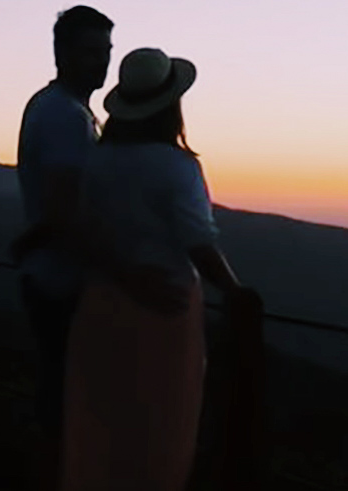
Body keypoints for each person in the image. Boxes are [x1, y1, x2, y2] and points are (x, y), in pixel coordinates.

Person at [13, 7, 190, 490]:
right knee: (70, 414)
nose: (100, 63)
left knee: (63, 408)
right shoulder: (66, 117)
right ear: (62, 53)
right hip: (62, 284)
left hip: (53, 277)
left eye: (106, 52)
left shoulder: (57, 108)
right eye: (91, 52)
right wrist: (132, 276)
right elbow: (66, 210)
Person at [60, 47, 241, 491]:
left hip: (101, 302)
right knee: (159, 432)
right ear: (171, 105)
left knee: (100, 428)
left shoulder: (98, 160)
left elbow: (82, 230)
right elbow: (198, 240)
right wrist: (236, 293)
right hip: (164, 309)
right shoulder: (178, 167)